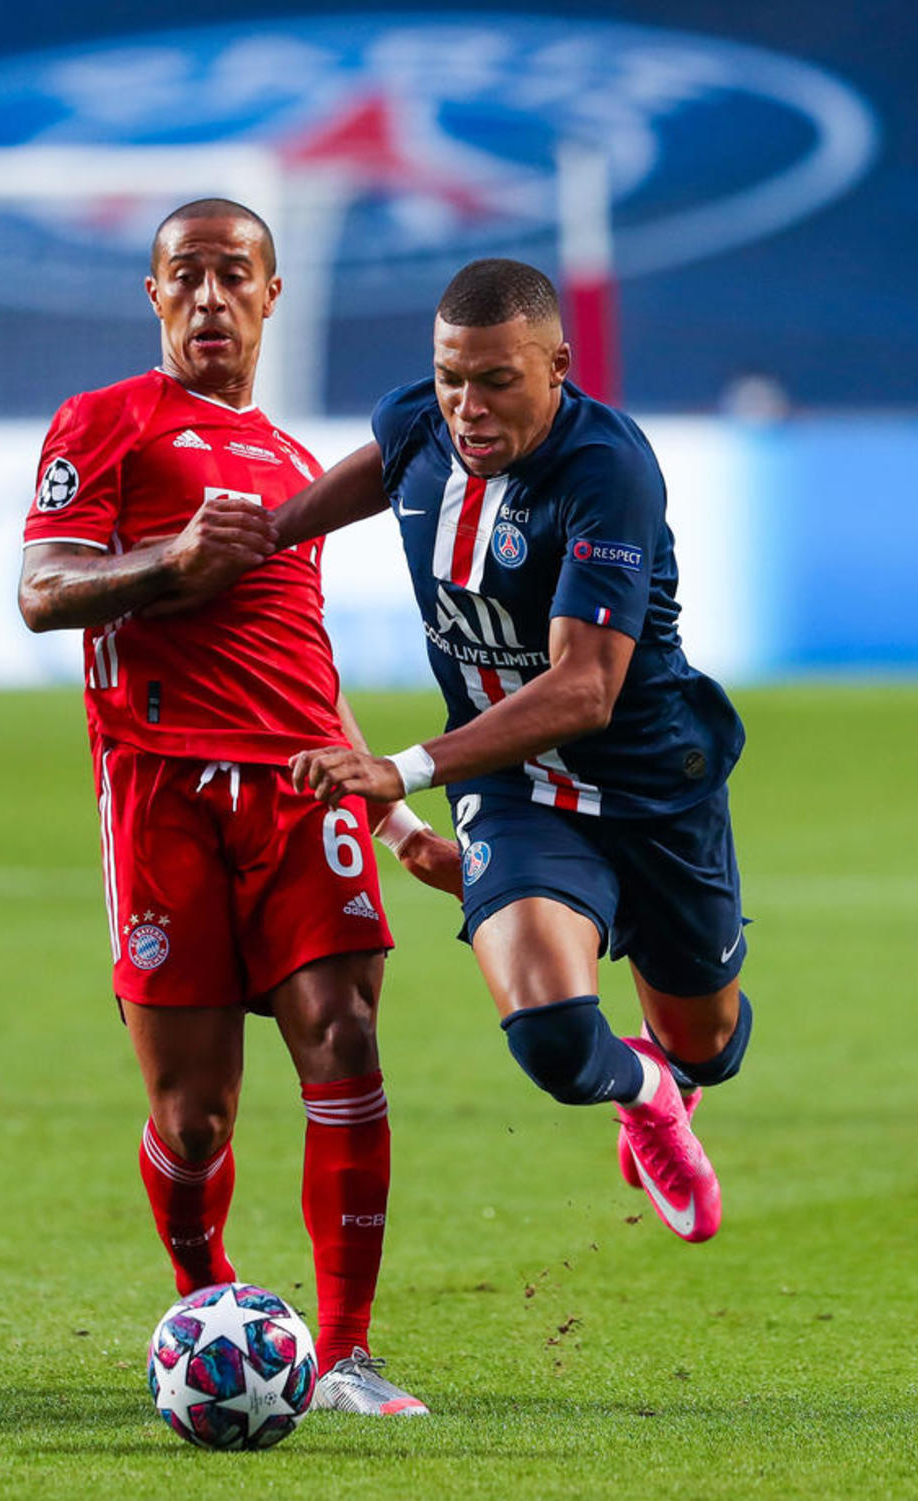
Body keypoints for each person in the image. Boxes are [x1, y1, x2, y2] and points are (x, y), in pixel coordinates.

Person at [18, 198, 460, 1416]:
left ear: (271, 295)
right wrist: (170, 562)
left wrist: (398, 820)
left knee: (345, 1037)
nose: (209, 297)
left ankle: (348, 1353)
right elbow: (43, 591)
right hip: (160, 791)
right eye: (186, 276)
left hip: (301, 791)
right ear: (154, 295)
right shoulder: (105, 422)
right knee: (194, 1116)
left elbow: (304, 664)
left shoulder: (294, 470)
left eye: (233, 275)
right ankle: (209, 1308)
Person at [276, 258, 752, 1245]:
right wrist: (264, 536)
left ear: (557, 366)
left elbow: (585, 688)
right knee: (554, 1039)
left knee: (710, 1045)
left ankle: (680, 1067)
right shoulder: (418, 425)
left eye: (497, 380)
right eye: (450, 377)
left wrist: (402, 772)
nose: (468, 406)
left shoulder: (606, 470)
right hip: (512, 790)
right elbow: (370, 471)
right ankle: (647, 1092)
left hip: (652, 785)